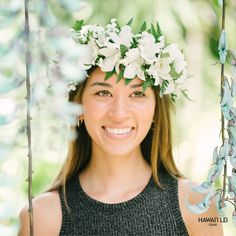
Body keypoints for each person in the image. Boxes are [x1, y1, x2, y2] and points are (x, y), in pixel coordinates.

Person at [18, 19, 223, 236]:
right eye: (103, 93)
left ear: (155, 110)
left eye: (137, 94)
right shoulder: (40, 217)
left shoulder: (196, 205)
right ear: (77, 105)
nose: (119, 113)